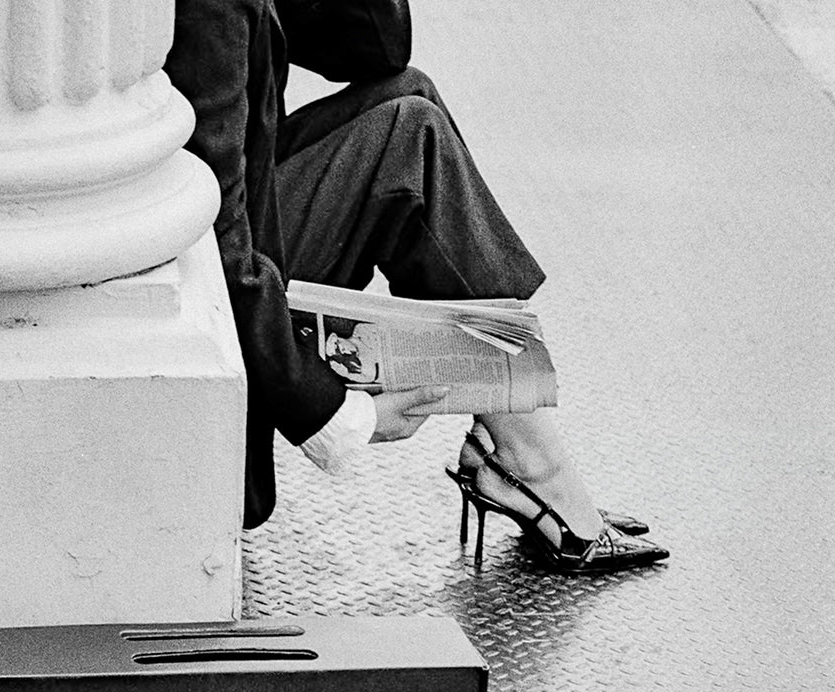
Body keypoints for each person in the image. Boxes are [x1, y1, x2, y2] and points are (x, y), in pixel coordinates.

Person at [165, 0, 668, 573]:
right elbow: (208, 227)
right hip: (208, 269)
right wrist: (333, 418)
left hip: (236, 212)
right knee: (410, 137)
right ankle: (528, 460)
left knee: (411, 93)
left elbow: (376, 49)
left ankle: (518, 446)